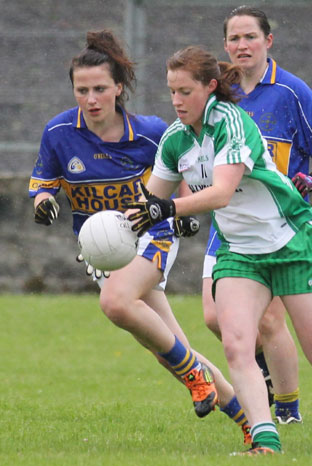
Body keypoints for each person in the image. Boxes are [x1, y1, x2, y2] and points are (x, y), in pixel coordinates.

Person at [126, 45, 312, 456]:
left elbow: (221, 193)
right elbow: (151, 201)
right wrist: (114, 233)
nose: (177, 101)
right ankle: (265, 440)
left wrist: (167, 208)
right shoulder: (175, 140)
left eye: (185, 91)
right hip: (240, 253)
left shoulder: (231, 123)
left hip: (292, 242)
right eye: (171, 92)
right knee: (237, 344)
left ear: (211, 87)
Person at [29, 30, 252, 445]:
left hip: (152, 236)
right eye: (82, 90)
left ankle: (195, 379)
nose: (91, 98)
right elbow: (44, 182)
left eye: (99, 88)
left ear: (118, 87)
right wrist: (43, 200)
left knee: (115, 302)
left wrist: (183, 211)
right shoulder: (58, 132)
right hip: (103, 252)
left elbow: (180, 172)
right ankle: (247, 422)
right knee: (171, 348)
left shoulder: (150, 132)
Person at [199, 5, 312, 425]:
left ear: (268, 41)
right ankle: (265, 379)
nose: (242, 45)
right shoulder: (219, 93)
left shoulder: (290, 91)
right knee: (215, 316)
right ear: (225, 45)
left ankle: (285, 410)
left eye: (250, 37)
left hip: (277, 225)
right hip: (229, 223)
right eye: (234, 38)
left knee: (269, 322)